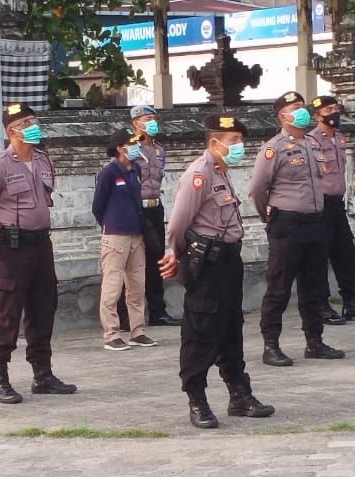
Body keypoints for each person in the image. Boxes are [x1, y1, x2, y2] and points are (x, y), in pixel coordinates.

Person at [159, 114, 274, 429]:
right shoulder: (199, 174)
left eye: (240, 140)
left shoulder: (222, 171)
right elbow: (180, 221)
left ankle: (239, 394)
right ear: (214, 143)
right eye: (233, 141)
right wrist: (174, 252)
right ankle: (197, 399)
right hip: (206, 263)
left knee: (230, 327)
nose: (239, 146)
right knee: (201, 329)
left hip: (228, 261)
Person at [0, 102, 78, 403]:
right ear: (12, 131)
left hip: (41, 245)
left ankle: (42, 374)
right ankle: (0, 378)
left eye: (34, 120)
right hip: (11, 248)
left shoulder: (44, 161)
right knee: (6, 313)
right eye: (27, 122)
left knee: (44, 308)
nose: (34, 126)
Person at [250, 91, 346, 367]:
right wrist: (268, 216)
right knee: (279, 287)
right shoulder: (274, 147)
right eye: (295, 108)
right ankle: (271, 345)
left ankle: (314, 341)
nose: (302, 111)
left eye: (302, 107)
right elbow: (258, 188)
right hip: (287, 223)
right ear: (282, 116)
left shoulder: (314, 143)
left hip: (316, 221)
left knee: (314, 286)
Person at [309, 95, 355, 324]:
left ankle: (351, 302)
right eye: (328, 109)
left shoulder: (339, 137)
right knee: (320, 256)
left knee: (346, 254)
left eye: (335, 107)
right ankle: (322, 305)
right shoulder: (312, 141)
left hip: (338, 204)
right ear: (318, 115)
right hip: (320, 205)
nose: (334, 112)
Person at [92, 128, 158, 351]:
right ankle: (111, 333)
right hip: (115, 236)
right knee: (113, 286)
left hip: (136, 234)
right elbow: (98, 206)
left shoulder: (135, 169)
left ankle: (137, 330)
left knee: (137, 285)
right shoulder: (109, 172)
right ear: (120, 148)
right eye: (131, 144)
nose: (136, 147)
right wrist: (110, 223)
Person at [123, 105, 180, 326]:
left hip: (155, 208)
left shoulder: (158, 149)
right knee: (132, 260)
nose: (152, 123)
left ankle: (158, 311)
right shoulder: (131, 148)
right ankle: (128, 314)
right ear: (136, 123)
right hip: (136, 208)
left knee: (157, 258)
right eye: (147, 119)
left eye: (154, 118)